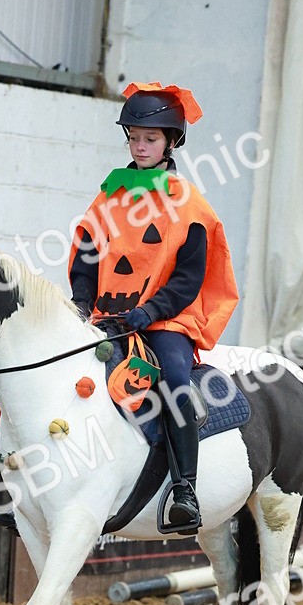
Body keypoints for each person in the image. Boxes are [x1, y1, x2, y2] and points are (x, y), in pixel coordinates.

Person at [69, 81, 239, 531]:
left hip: (166, 319)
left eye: (150, 139)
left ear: (170, 142)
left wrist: (150, 312)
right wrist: (81, 303)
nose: (140, 146)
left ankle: (184, 489)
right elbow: (88, 253)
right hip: (108, 316)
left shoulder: (191, 206)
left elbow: (189, 277)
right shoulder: (110, 194)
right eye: (133, 138)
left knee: (177, 380)